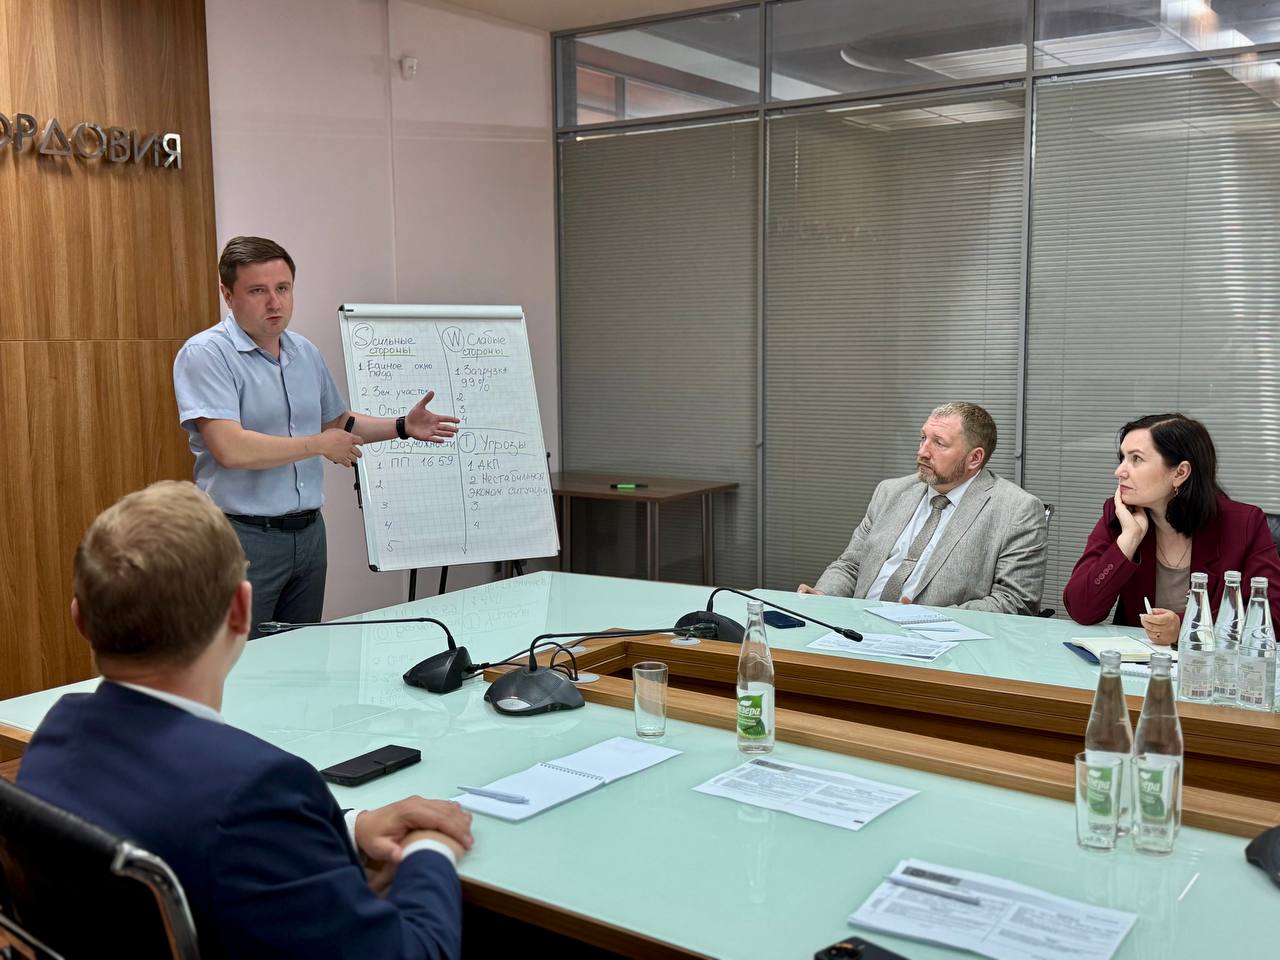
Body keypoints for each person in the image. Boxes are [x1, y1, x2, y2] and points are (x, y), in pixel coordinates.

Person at [17, 481, 471, 959]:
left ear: (80, 619)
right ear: (240, 611)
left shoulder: (57, 733)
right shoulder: (255, 788)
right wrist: (428, 850)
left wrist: (350, 827)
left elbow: (182, 823)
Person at [173, 236, 460, 637]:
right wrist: (317, 445)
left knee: (301, 657)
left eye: (283, 288)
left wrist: (401, 427)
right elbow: (230, 448)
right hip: (241, 538)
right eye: (258, 291)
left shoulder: (303, 352)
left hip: (308, 536)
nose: (274, 303)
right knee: (239, 660)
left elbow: (336, 422)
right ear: (228, 294)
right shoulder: (205, 354)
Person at [798, 402, 1047, 615]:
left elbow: (1014, 603)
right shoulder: (890, 491)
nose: (922, 452)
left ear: (974, 458)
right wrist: (823, 596)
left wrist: (927, 618)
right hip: (856, 630)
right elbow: (851, 565)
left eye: (939, 443)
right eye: (923, 438)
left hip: (943, 645)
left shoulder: (1017, 510)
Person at [1063, 413, 1280, 642]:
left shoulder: (1243, 524)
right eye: (1122, 458)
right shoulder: (1121, 516)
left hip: (1210, 661)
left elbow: (1272, 617)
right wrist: (1128, 540)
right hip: (1136, 660)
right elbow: (1081, 609)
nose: (1120, 471)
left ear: (1180, 473)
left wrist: (1186, 627)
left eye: (1136, 459)